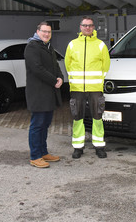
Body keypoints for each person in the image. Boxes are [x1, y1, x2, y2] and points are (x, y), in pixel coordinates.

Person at [65, 16, 110, 159]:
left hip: (95, 88)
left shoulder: (100, 45)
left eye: (90, 25)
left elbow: (106, 65)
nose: (87, 28)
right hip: (77, 88)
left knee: (97, 117)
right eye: (85, 25)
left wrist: (98, 81)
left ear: (93, 27)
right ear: (80, 27)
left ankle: (99, 146)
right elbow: (68, 64)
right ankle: (78, 147)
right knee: (77, 117)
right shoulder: (72, 45)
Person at [25, 21, 64, 168]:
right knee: (37, 125)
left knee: (45, 124)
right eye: (44, 31)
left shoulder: (48, 47)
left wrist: (60, 78)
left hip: (49, 92)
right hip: (38, 93)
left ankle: (43, 152)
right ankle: (35, 156)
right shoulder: (32, 47)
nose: (46, 34)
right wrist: (54, 80)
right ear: (37, 31)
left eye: (49, 32)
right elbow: (37, 69)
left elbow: (55, 66)